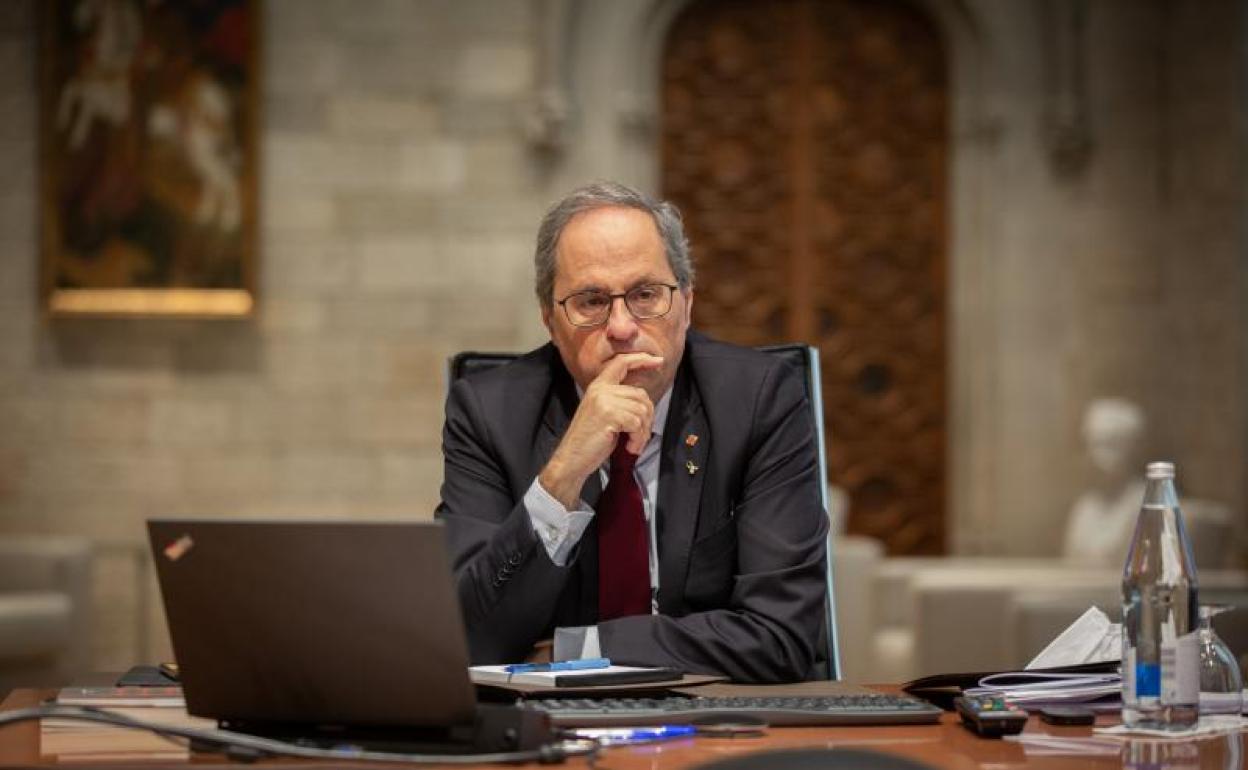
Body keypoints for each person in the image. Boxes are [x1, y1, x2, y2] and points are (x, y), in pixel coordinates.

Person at [435, 181, 829, 683]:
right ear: (550, 322)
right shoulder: (489, 414)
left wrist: (575, 649)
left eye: (646, 295)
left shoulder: (757, 400)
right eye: (591, 301)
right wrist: (562, 476)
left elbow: (782, 638)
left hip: (716, 719)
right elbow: (468, 637)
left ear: (686, 304)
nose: (621, 327)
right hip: (547, 726)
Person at [1062, 398, 1147, 567]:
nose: (1100, 456)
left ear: (1133, 448)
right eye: (1095, 444)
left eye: (1112, 445)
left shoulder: (1147, 504)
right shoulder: (1085, 506)